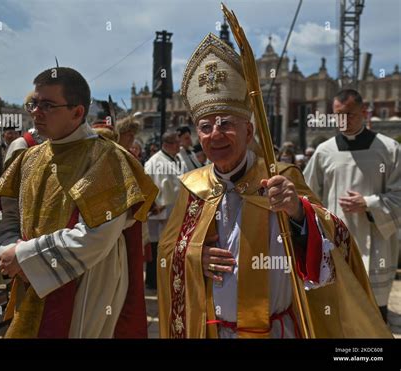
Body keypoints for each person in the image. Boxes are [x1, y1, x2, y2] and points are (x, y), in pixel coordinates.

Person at [157, 33, 391, 339]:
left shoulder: (283, 178)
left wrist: (297, 212)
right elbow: (167, 251)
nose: (215, 134)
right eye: (205, 127)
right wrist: (194, 256)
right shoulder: (194, 186)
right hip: (214, 331)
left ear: (249, 129)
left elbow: (337, 240)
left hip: (277, 330)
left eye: (226, 123)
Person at [0, 67, 157, 338]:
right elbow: (4, 217)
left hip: (88, 284)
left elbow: (96, 236)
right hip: (29, 280)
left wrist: (24, 257)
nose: (36, 112)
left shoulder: (106, 158)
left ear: (77, 112)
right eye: (34, 104)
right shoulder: (28, 158)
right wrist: (8, 252)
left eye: (48, 105)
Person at [304, 89, 401, 322]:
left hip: (375, 239)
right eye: (338, 115)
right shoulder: (324, 151)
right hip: (336, 242)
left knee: (374, 314)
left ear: (364, 112)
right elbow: (307, 195)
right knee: (337, 311)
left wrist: (368, 204)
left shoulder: (389, 149)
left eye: (349, 114)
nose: (343, 121)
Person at [144, 131, 185, 290]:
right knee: (156, 248)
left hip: (172, 211)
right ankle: (153, 281)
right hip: (159, 213)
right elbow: (153, 186)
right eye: (176, 143)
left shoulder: (174, 158)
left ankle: (163, 278)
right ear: (167, 144)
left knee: (166, 247)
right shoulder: (155, 162)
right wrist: (157, 207)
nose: (179, 147)